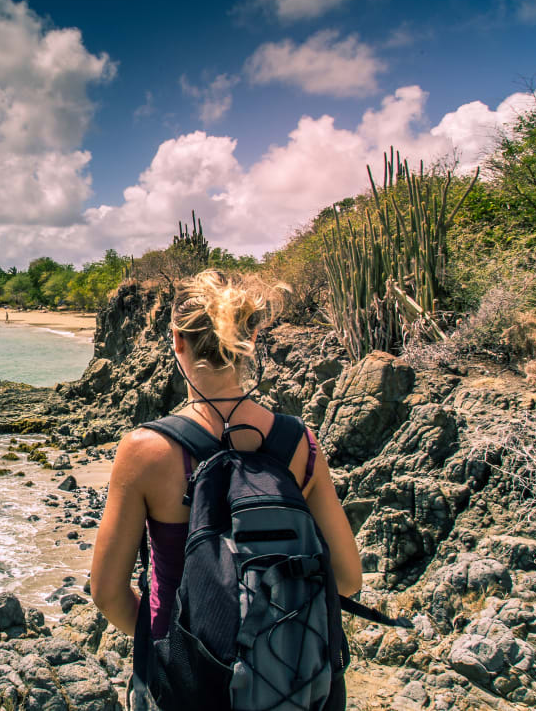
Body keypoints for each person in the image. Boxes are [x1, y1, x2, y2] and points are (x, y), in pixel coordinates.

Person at [92, 270, 362, 698]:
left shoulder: (145, 450)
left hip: (184, 682)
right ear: (251, 338)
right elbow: (346, 579)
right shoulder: (300, 442)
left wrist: (173, 643)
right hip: (286, 679)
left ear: (177, 340)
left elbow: (107, 594)